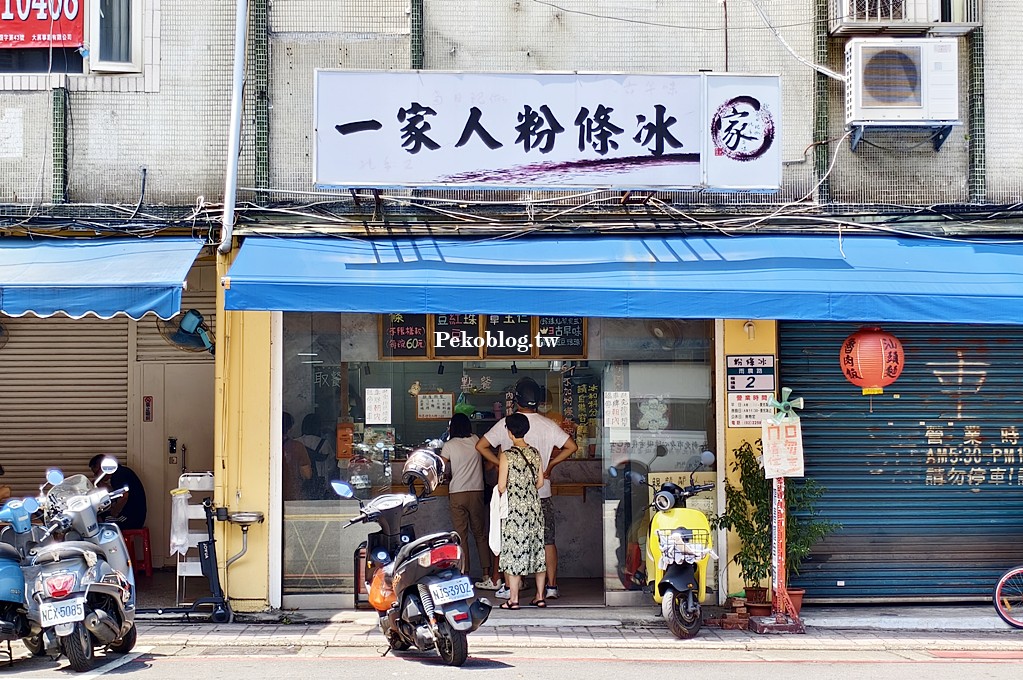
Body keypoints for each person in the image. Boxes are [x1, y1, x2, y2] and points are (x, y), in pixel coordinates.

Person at [477, 377, 578, 601]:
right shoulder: (548, 424)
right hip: (542, 494)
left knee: (512, 540)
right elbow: (572, 446)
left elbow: (481, 445)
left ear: (517, 399)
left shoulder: (507, 424)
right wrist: (550, 465)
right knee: (547, 540)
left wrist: (498, 463)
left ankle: (512, 586)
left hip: (514, 497)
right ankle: (550, 587)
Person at [495, 412, 546, 609]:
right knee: (537, 550)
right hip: (534, 508)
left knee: (514, 552)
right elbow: (540, 482)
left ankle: (514, 600)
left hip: (515, 511)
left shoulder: (507, 456)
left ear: (509, 432)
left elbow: (501, 486)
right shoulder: (535, 453)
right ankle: (540, 596)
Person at [440, 413, 496, 590]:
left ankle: (464, 574)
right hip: (477, 491)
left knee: (460, 535)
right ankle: (486, 573)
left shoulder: (449, 445)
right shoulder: (476, 440)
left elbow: (440, 467)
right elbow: (488, 463)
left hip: (457, 492)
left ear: (453, 427)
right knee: (480, 534)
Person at [89, 455, 148, 530]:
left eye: (96, 473)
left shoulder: (119, 475)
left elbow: (124, 497)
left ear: (103, 467)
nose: (96, 476)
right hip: (135, 516)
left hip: (130, 519)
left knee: (98, 520)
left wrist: (114, 512)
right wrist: (104, 486)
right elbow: (118, 493)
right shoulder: (121, 472)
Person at [296, 413, 335, 497]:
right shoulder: (324, 443)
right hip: (320, 482)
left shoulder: (296, 442)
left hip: (300, 481)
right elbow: (331, 466)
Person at [283, 411, 313, 500]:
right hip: (293, 495)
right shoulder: (297, 447)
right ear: (290, 428)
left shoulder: (266, 446)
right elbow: (307, 474)